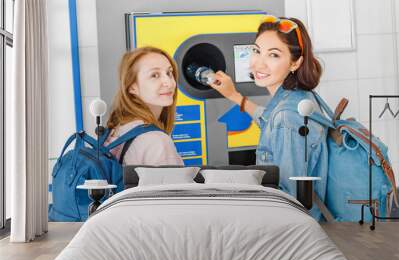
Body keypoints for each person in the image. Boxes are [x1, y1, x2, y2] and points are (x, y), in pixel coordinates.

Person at [210, 15, 327, 219]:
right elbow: (268, 118)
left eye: (273, 55)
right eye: (256, 51)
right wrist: (234, 96)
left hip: (296, 232)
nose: (259, 64)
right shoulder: (299, 97)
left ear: (295, 63)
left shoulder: (287, 117)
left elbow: (290, 199)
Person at [105, 46, 184, 165]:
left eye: (169, 73)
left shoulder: (117, 129)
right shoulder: (156, 140)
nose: (168, 82)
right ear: (132, 87)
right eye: (155, 75)